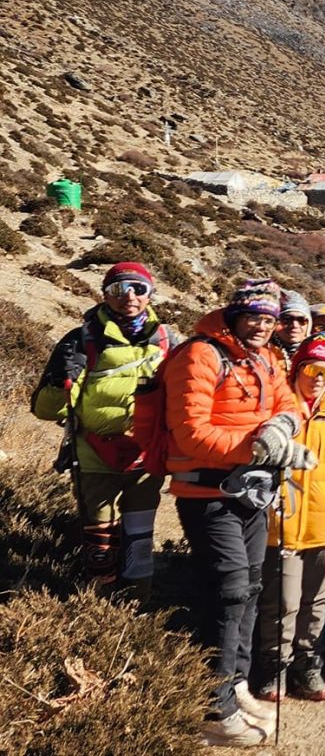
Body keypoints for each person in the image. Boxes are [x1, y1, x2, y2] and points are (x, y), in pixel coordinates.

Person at [163, 278, 307, 746]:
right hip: (208, 494)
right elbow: (190, 433)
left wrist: (283, 429)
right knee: (228, 591)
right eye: (254, 318)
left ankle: (235, 683)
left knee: (249, 589)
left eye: (270, 319)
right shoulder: (199, 355)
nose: (263, 327)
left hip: (252, 494)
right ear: (233, 315)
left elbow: (289, 404)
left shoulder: (266, 358)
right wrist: (258, 449)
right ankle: (213, 706)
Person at [31, 262, 174, 601]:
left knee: (139, 536)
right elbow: (44, 410)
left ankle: (138, 602)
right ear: (104, 295)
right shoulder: (81, 340)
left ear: (150, 294)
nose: (129, 296)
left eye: (138, 288)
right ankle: (100, 603)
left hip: (145, 458)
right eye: (118, 289)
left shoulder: (167, 341)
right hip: (94, 454)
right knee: (99, 538)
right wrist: (60, 384)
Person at [252, 338, 325, 702]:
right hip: (281, 524)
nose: (317, 378)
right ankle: (273, 669)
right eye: (310, 369)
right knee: (281, 602)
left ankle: (308, 667)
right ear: (296, 369)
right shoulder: (279, 409)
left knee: (317, 600)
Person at [272, 291, 312, 375]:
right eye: (287, 319)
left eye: (302, 320)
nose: (294, 325)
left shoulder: (316, 354)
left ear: (309, 325)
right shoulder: (261, 352)